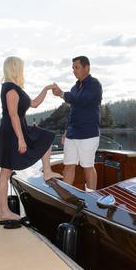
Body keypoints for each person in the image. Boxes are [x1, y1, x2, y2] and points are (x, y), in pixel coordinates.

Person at [0, 56, 62, 228]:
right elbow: (13, 115)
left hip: (17, 129)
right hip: (11, 133)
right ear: (15, 68)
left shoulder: (16, 88)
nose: (23, 70)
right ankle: (4, 211)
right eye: (21, 67)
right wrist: (21, 139)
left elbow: (35, 104)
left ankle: (47, 171)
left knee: (45, 136)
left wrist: (46, 89)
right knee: (5, 173)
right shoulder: (10, 89)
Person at [52, 56, 102, 190]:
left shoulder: (94, 85)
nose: (74, 71)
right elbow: (73, 112)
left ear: (87, 68)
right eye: (73, 68)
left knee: (88, 167)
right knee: (68, 166)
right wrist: (67, 131)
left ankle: (91, 196)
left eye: (77, 67)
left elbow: (81, 100)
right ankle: (67, 196)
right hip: (72, 134)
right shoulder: (75, 87)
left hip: (88, 134)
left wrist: (62, 94)